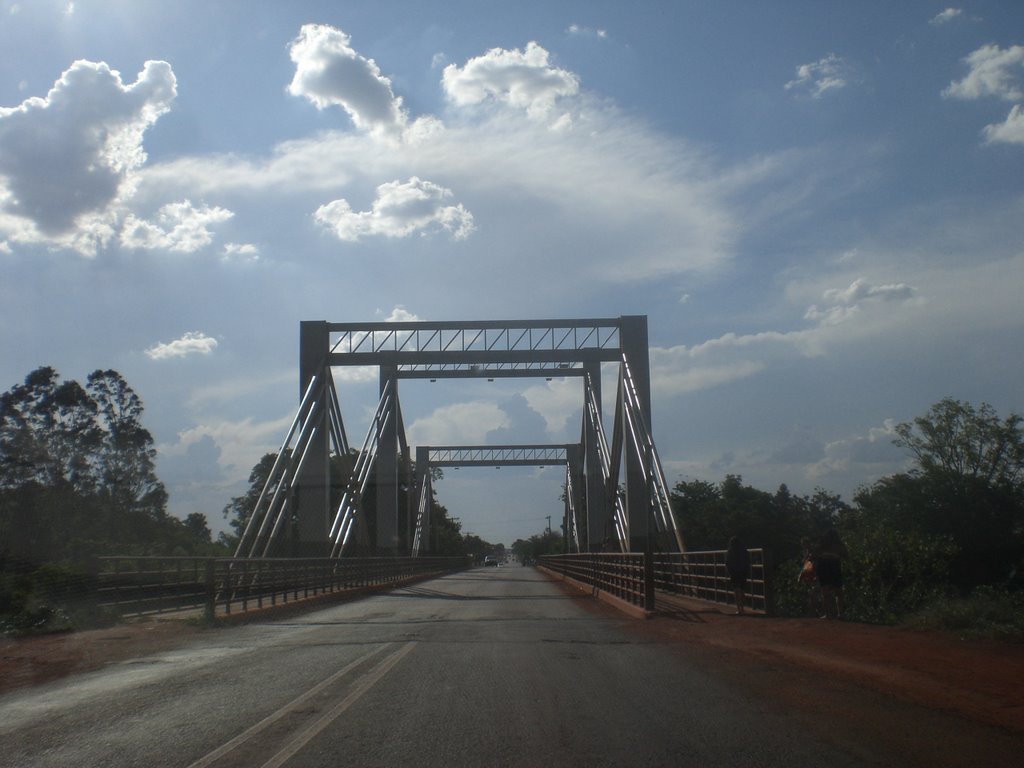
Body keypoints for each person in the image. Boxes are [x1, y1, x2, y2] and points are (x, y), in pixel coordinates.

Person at [816, 528, 848, 619]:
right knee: (827, 591)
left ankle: (838, 614)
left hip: (833, 567)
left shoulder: (838, 546)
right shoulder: (822, 545)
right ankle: (830, 614)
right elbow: (815, 554)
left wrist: (835, 555)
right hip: (825, 567)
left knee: (837, 591)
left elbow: (846, 556)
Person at [725, 536, 751, 615]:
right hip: (743, 572)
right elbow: (747, 561)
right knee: (742, 590)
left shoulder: (730, 552)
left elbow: (727, 563)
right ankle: (743, 608)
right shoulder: (744, 551)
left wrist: (729, 572)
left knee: (736, 591)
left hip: (734, 573)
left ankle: (739, 609)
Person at [798, 536, 822, 617]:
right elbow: (806, 565)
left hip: (815, 574)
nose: (804, 546)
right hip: (810, 575)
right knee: (811, 594)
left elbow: (813, 562)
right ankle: (812, 612)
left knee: (814, 593)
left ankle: (814, 612)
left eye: (805, 544)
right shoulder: (807, 552)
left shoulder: (813, 552)